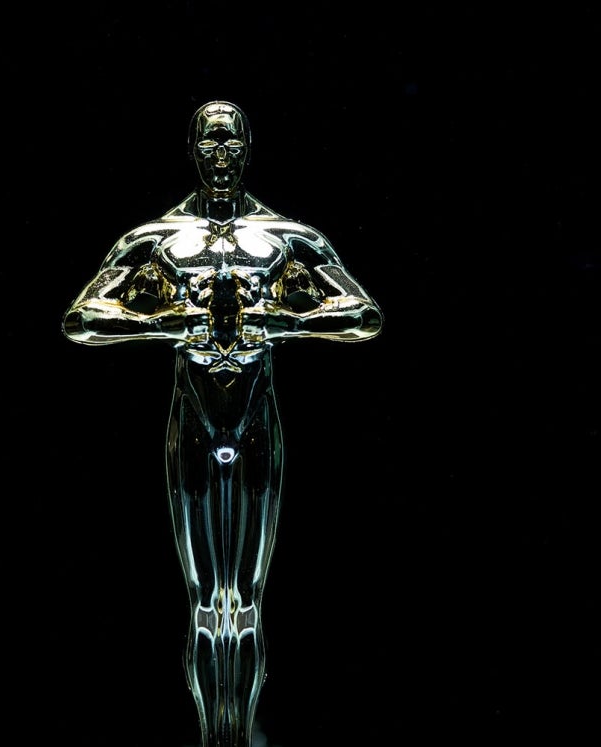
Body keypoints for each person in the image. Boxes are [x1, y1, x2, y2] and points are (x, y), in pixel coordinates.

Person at [62, 100, 382, 747]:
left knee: (249, 599)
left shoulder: (284, 239)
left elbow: (363, 314)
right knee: (207, 600)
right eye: (210, 143)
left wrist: (277, 320)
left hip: (256, 418)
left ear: (248, 149)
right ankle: (217, 735)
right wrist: (174, 321)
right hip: (196, 421)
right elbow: (82, 319)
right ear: (192, 149)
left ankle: (235, 733)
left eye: (231, 142)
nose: (221, 155)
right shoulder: (158, 241)